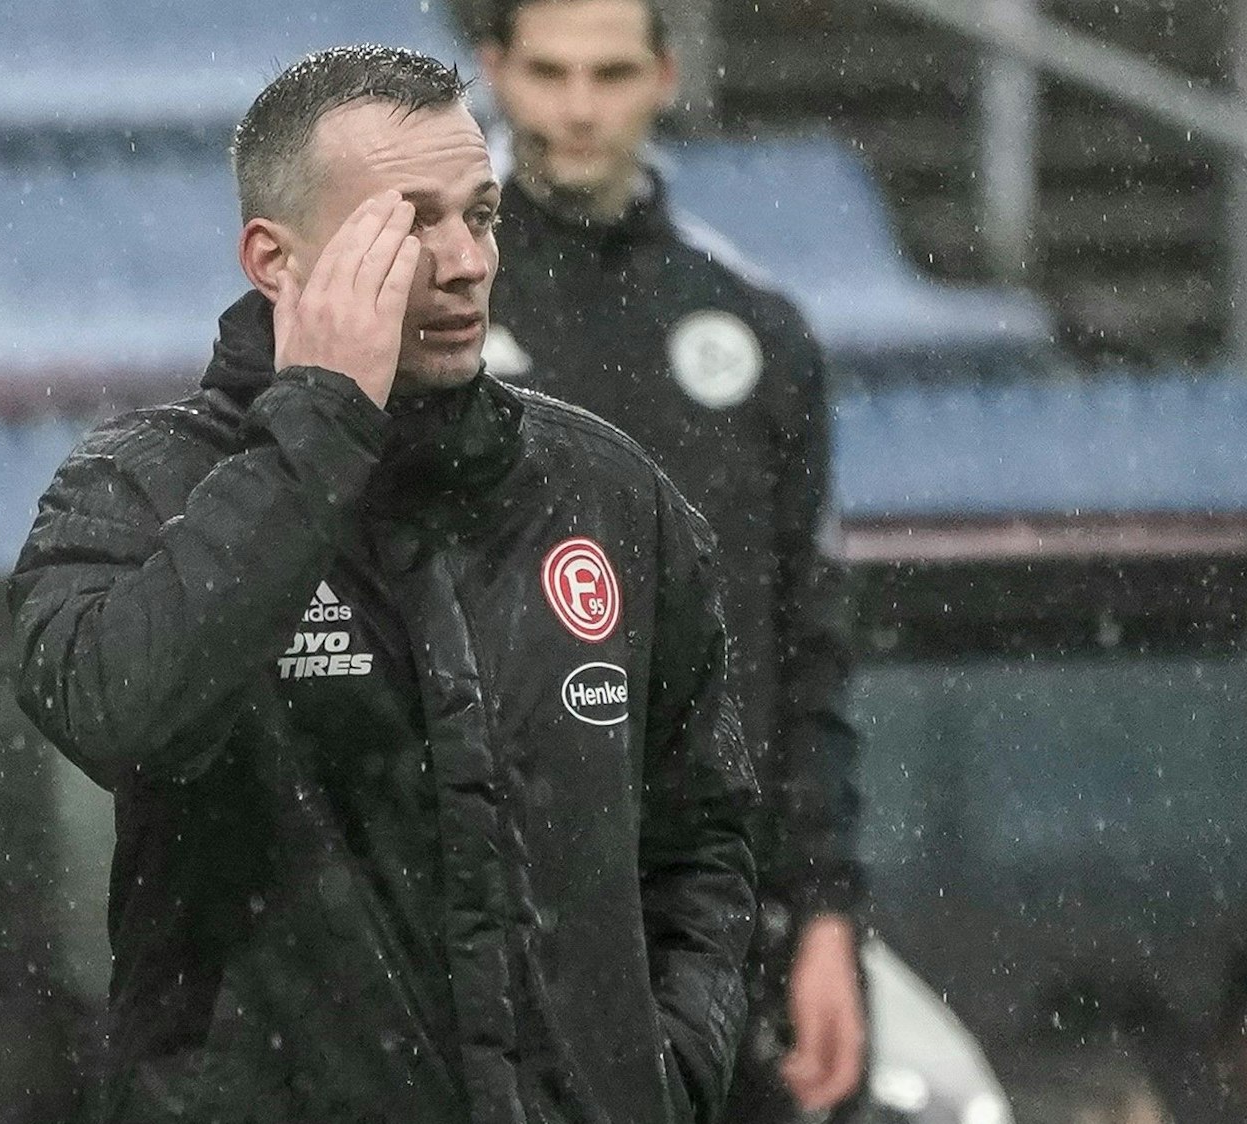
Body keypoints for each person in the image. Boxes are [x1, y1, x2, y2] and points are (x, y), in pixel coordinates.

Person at [10, 44, 763, 1124]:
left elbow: (704, 828)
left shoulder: (603, 488)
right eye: (410, 221)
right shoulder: (139, 485)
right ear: (275, 260)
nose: (463, 260)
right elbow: (124, 715)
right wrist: (316, 422)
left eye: (482, 214)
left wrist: (663, 1067)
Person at [473, 1, 869, 1117]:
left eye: (610, 73)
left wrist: (829, 910)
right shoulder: (431, 306)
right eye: (550, 73)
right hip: (483, 909)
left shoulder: (753, 325)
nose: (580, 108)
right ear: (495, 73)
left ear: (664, 75)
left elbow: (808, 650)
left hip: (714, 913)